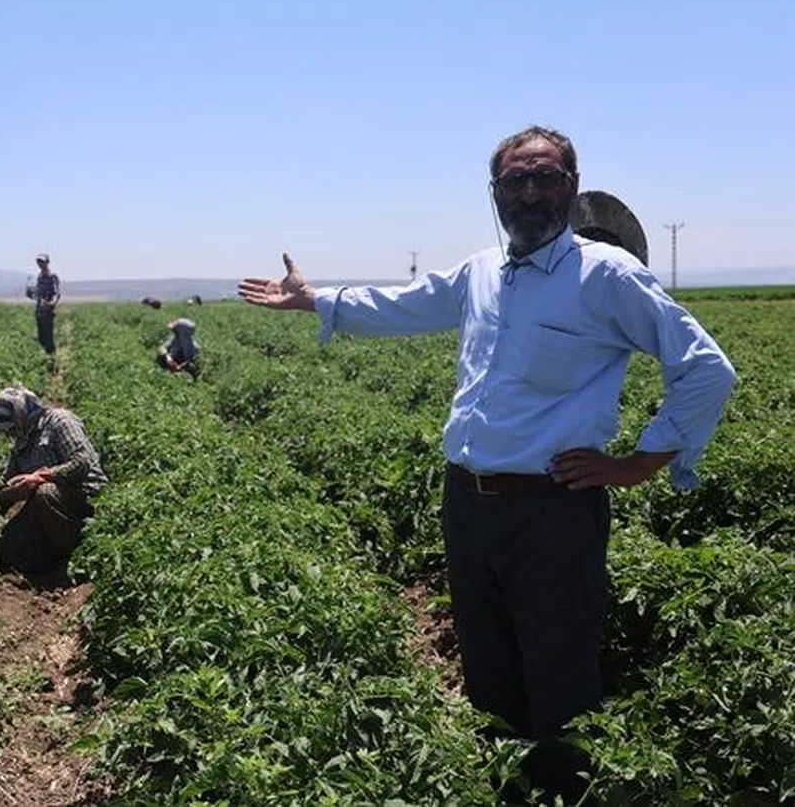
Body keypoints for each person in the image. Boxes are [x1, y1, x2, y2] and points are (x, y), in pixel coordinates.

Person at [237, 125, 737, 804]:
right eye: (515, 180)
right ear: (495, 193)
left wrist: (639, 463)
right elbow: (402, 306)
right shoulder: (480, 272)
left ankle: (565, 795)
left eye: (545, 177)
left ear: (571, 188)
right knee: (488, 674)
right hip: (468, 505)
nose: (529, 192)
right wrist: (316, 299)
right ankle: (506, 792)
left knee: (560, 682)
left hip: (552, 509)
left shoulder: (606, 275)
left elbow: (705, 367)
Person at [0, 385, 107, 576]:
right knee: (4, 547)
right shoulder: (22, 439)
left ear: (21, 417)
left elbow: (82, 462)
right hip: (47, 507)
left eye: (10, 429)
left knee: (45, 493)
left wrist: (43, 476)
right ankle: (49, 557)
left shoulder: (60, 421)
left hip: (84, 498)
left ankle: (78, 554)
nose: (9, 435)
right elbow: (5, 481)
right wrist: (10, 493)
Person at [31, 253, 60, 354]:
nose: (40, 264)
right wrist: (32, 294)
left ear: (47, 262)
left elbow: (56, 293)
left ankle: (52, 361)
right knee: (41, 337)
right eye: (38, 262)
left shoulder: (52, 276)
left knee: (48, 337)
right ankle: (46, 359)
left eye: (42, 262)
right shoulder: (39, 276)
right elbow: (38, 293)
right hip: (39, 310)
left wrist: (51, 303)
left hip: (47, 311)